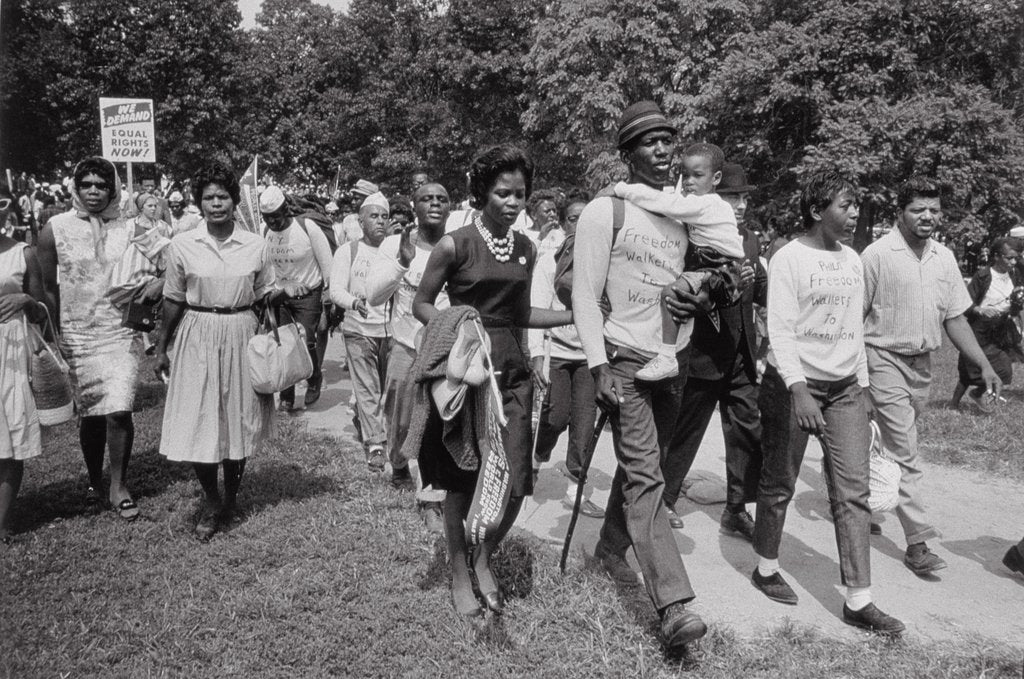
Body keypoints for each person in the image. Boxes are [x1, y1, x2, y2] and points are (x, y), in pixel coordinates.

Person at [411, 144, 571, 620]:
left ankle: (483, 557)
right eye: (503, 193)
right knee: (462, 478)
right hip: (469, 371)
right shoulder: (454, 244)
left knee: (517, 480)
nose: (513, 202)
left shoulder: (526, 248)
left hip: (512, 372)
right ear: (482, 192)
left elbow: (520, 314)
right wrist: (458, 326)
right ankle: (460, 572)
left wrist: (573, 316)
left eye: (520, 193)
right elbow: (421, 303)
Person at [573, 101, 708, 652]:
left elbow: (702, 277)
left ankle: (609, 550)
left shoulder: (684, 214)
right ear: (628, 154)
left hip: (672, 361)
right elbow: (585, 295)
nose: (663, 150)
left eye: (668, 140)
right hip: (624, 361)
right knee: (648, 476)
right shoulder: (606, 211)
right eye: (650, 142)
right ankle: (674, 605)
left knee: (643, 468)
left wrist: (702, 294)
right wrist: (598, 364)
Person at [752, 170, 904, 635]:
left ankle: (859, 599)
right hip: (793, 385)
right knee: (780, 481)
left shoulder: (853, 259)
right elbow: (779, 329)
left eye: (855, 204)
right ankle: (765, 567)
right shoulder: (789, 257)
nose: (854, 213)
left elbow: (852, 329)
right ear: (817, 210)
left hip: (844, 390)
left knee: (853, 492)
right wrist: (798, 389)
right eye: (845, 205)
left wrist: (864, 387)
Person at [862, 176, 1001, 575]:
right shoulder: (877, 255)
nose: (927, 216)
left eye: (934, 210)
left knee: (883, 442)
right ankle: (917, 542)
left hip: (921, 366)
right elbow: (856, 317)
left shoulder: (944, 258)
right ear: (899, 213)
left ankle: (855, 493)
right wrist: (859, 376)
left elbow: (954, 318)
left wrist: (984, 365)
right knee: (905, 451)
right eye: (917, 209)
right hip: (882, 358)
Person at [155, 162, 279, 541]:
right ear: (199, 203)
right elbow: (173, 299)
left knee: (238, 416)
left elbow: (265, 294)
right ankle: (211, 498)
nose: (216, 204)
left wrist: (283, 307)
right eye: (208, 197)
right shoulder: (183, 245)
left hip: (241, 330)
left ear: (234, 200)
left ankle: (232, 497)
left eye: (222, 196)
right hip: (197, 331)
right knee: (200, 416)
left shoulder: (256, 245)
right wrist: (161, 347)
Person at [659, 162, 765, 538]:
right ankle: (663, 499)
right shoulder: (693, 238)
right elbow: (688, 291)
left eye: (744, 198)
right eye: (732, 198)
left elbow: (760, 291)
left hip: (741, 353)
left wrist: (753, 281)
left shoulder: (749, 239)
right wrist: (724, 289)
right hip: (703, 350)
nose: (740, 205)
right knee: (686, 428)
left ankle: (736, 509)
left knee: (746, 430)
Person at [37, 157, 145, 520]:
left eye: (102, 185)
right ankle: (94, 482)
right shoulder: (55, 228)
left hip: (119, 331)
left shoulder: (130, 227)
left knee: (119, 408)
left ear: (113, 190)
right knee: (92, 414)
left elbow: (165, 261)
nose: (94, 192)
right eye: (87, 185)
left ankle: (118, 485)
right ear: (76, 188)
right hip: (77, 334)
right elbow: (47, 287)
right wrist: (55, 333)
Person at [612, 143, 743, 381]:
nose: (689, 181)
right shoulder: (699, 203)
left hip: (720, 268)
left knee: (670, 293)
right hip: (713, 266)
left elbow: (667, 204)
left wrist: (622, 189)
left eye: (697, 175)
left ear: (716, 178)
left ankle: (667, 357)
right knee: (682, 300)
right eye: (685, 175)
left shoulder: (708, 204)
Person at [365, 182, 452, 533]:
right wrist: (402, 262)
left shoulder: (457, 244)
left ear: (450, 207)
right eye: (426, 198)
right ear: (413, 206)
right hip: (404, 345)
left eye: (442, 198)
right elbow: (374, 296)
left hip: (445, 349)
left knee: (436, 425)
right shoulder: (393, 244)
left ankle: (431, 499)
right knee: (400, 423)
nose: (435, 203)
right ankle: (399, 464)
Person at [529, 194, 603, 518]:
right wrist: (536, 355)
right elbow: (536, 307)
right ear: (562, 223)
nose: (581, 226)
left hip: (589, 356)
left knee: (584, 423)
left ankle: (576, 491)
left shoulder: (603, 261)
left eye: (587, 220)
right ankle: (535, 458)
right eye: (574, 219)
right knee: (555, 417)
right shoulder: (550, 261)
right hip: (556, 352)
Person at [329, 191, 392, 471]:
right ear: (361, 221)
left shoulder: (394, 250)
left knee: (386, 389)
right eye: (374, 216)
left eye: (384, 216)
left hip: (390, 332)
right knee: (368, 389)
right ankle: (376, 444)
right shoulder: (348, 251)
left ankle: (362, 416)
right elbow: (335, 290)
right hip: (358, 330)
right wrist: (354, 303)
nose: (380, 221)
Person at [0, 189, 49, 544]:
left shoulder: (23, 253)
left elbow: (41, 311)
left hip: (10, 350)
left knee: (10, 432)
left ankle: (0, 521)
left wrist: (25, 299)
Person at [259, 185, 333, 409]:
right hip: (280, 295)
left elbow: (327, 262)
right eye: (268, 217)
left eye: (276, 216)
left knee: (305, 341)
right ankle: (287, 396)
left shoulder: (306, 227)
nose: (273, 222)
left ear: (285, 209)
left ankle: (314, 377)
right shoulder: (265, 231)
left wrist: (328, 295)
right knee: (283, 345)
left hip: (308, 294)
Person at [949, 237, 1023, 411]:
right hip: (980, 328)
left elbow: (1016, 302)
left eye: (1016, 258)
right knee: (969, 368)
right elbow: (965, 302)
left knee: (1004, 368)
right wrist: (980, 310)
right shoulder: (982, 276)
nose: (1013, 262)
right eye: (1009, 258)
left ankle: (977, 393)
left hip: (1002, 328)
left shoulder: (1014, 274)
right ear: (996, 256)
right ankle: (953, 405)